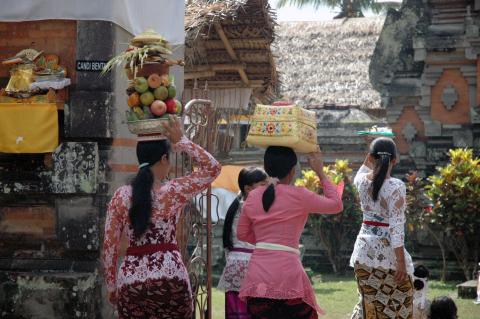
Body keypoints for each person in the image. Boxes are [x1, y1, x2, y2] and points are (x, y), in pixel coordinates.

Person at [102, 116, 221, 318]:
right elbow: (213, 168)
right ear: (164, 158)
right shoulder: (174, 191)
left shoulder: (121, 196)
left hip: (131, 282)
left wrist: (112, 285)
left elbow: (110, 245)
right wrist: (182, 141)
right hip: (171, 277)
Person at [237, 146, 343, 319]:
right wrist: (320, 172)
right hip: (289, 277)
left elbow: (242, 234)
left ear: (267, 167)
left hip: (258, 277)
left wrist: (267, 243)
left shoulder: (254, 195)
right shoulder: (300, 195)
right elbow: (336, 205)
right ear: (293, 170)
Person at [350, 137, 414, 319]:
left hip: (362, 254)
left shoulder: (360, 181)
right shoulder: (396, 186)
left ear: (370, 157)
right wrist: (400, 262)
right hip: (388, 257)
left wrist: (370, 152)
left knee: (368, 307)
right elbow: (396, 228)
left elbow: (364, 169)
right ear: (395, 160)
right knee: (401, 308)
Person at [218, 167, 268, 319]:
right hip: (252, 265)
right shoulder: (254, 208)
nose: (267, 188)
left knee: (237, 311)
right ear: (248, 188)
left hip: (235, 265)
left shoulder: (237, 206)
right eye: (263, 184)